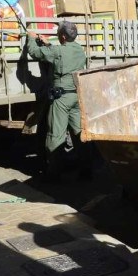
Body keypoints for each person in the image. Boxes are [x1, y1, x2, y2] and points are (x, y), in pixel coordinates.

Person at [26, 21, 92, 181]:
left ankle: (54, 173)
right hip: (76, 97)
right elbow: (61, 52)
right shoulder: (79, 50)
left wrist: (31, 38)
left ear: (62, 36)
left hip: (61, 99)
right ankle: (87, 170)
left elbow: (34, 52)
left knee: (56, 135)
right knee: (79, 134)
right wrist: (48, 43)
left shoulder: (57, 51)